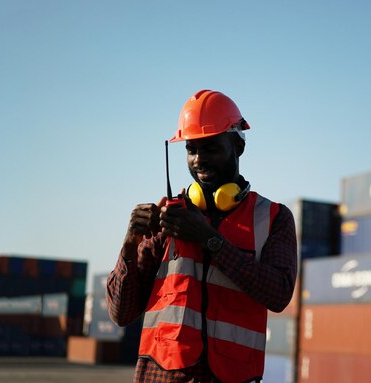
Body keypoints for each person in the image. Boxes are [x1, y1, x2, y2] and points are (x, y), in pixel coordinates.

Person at [106, 90, 298, 383]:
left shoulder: (273, 218)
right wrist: (129, 244)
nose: (198, 160)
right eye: (191, 149)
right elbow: (122, 313)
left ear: (238, 146)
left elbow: (279, 294)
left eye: (210, 148)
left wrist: (210, 240)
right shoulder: (166, 216)